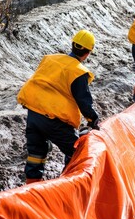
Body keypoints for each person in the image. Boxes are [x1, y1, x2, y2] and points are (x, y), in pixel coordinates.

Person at [17, 29, 100, 184]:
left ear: (73, 45)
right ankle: (66, 185)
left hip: (33, 113)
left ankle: (31, 189)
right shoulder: (77, 71)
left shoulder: (50, 59)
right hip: (54, 121)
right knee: (76, 153)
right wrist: (93, 119)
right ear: (88, 52)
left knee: (36, 154)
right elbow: (83, 100)